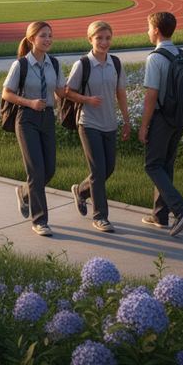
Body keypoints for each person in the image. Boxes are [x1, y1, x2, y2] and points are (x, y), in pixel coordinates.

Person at [1, 21, 66, 236]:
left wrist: (63, 97)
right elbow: (6, 93)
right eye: (43, 36)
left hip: (47, 118)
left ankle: (25, 192)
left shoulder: (54, 64)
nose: (48, 39)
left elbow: (60, 91)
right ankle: (40, 220)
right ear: (31, 40)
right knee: (36, 171)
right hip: (26, 118)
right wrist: (29, 103)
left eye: (50, 35)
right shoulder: (21, 65)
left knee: (49, 170)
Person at [65, 21, 130, 234]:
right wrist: (86, 99)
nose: (104, 42)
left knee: (108, 168)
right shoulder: (82, 64)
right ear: (90, 39)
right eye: (99, 38)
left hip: (109, 123)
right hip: (88, 122)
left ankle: (82, 191)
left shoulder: (116, 63)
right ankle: (100, 216)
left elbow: (121, 93)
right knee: (98, 170)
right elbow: (67, 92)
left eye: (107, 38)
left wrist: (127, 120)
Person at [138, 11, 183, 237]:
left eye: (148, 27)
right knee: (166, 165)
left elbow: (151, 95)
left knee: (152, 165)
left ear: (156, 31)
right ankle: (160, 215)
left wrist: (144, 126)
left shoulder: (155, 58)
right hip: (179, 117)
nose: (147, 31)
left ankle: (180, 210)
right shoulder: (181, 54)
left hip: (162, 118)